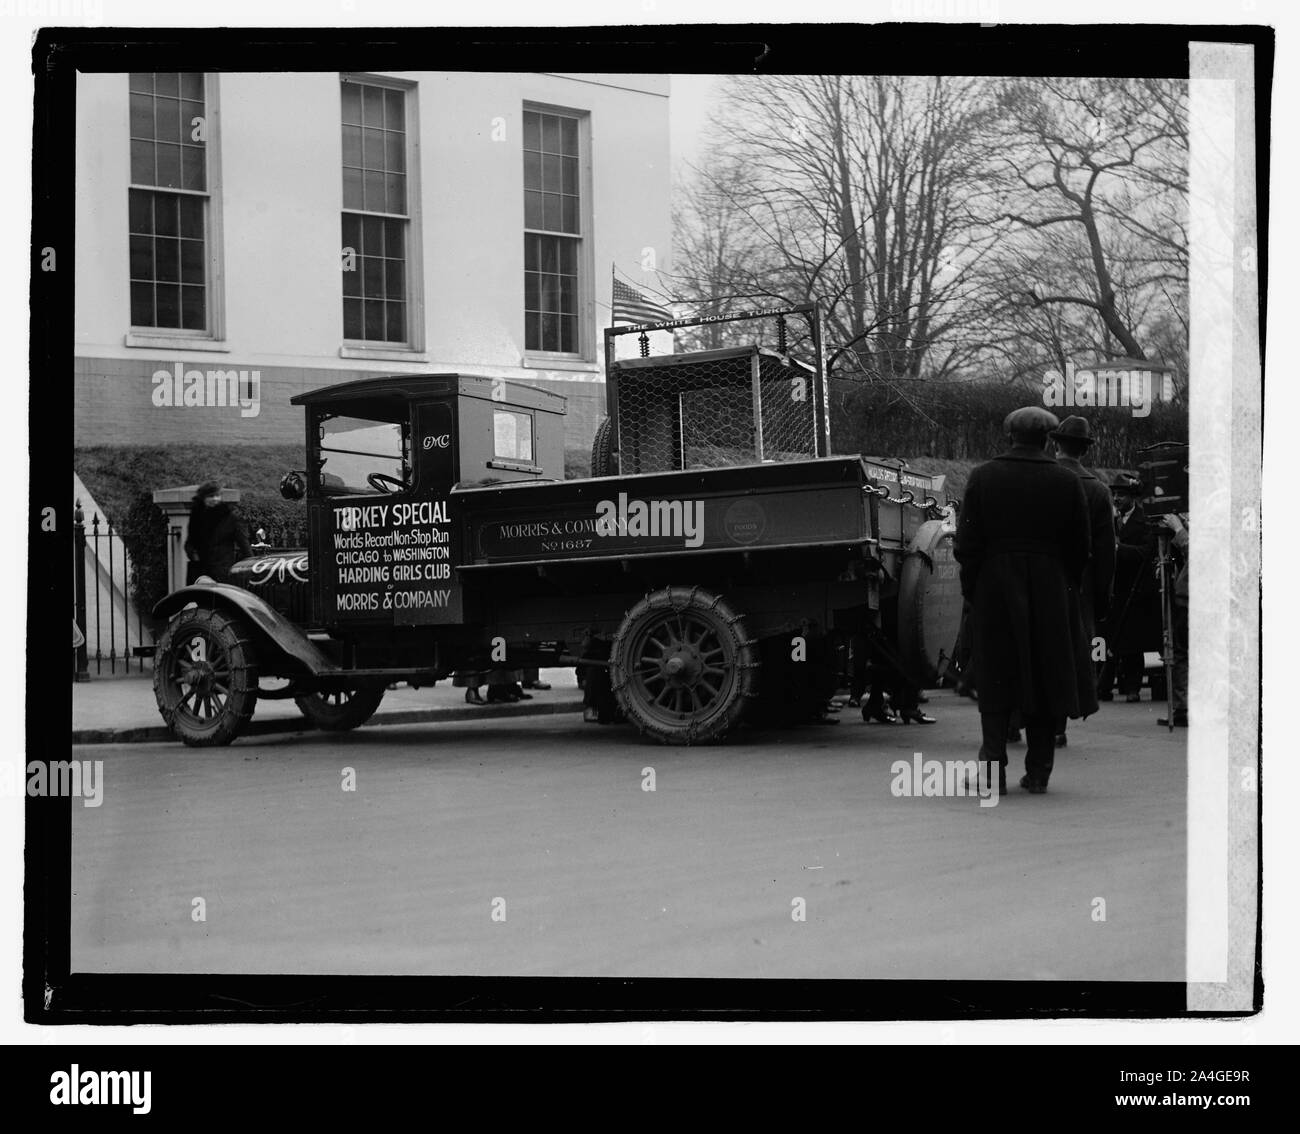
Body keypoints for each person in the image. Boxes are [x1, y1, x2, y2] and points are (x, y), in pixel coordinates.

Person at [954, 406, 1094, 795]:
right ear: (1048, 439)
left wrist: (975, 591)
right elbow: (1081, 547)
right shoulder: (1066, 482)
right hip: (1051, 589)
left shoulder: (983, 477)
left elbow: (967, 545)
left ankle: (992, 766)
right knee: (1046, 675)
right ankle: (1039, 771)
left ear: (1009, 435)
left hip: (995, 589)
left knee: (996, 675)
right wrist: (1064, 585)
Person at [1049, 415, 1117, 746]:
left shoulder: (1041, 477)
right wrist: (1103, 598)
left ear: (1055, 443)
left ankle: (1020, 717)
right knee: (1071, 654)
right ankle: (1058, 723)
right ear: (1085, 450)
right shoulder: (1098, 491)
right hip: (1080, 586)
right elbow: (1106, 554)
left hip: (1039, 579)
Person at [1098, 475, 1160, 702]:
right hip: (1115, 590)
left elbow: (1145, 553)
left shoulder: (1144, 522)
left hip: (1135, 590)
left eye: (1121, 495)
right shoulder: (1111, 521)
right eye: (1114, 495)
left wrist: (1118, 549)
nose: (1117, 499)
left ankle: (1131, 688)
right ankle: (1104, 686)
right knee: (1110, 639)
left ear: (1133, 497)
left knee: (1132, 642)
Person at [1156, 512, 1189, 727]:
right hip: (1184, 599)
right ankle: (1181, 708)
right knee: (1178, 652)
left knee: (1187, 654)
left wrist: (1179, 529)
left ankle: (1187, 708)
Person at [184, 481, 251, 584]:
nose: (215, 499)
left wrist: (251, 567)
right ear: (203, 498)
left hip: (222, 573)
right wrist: (194, 554)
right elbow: (189, 543)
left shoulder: (230, 518)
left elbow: (244, 545)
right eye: (211, 496)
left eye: (217, 495)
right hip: (200, 572)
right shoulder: (197, 517)